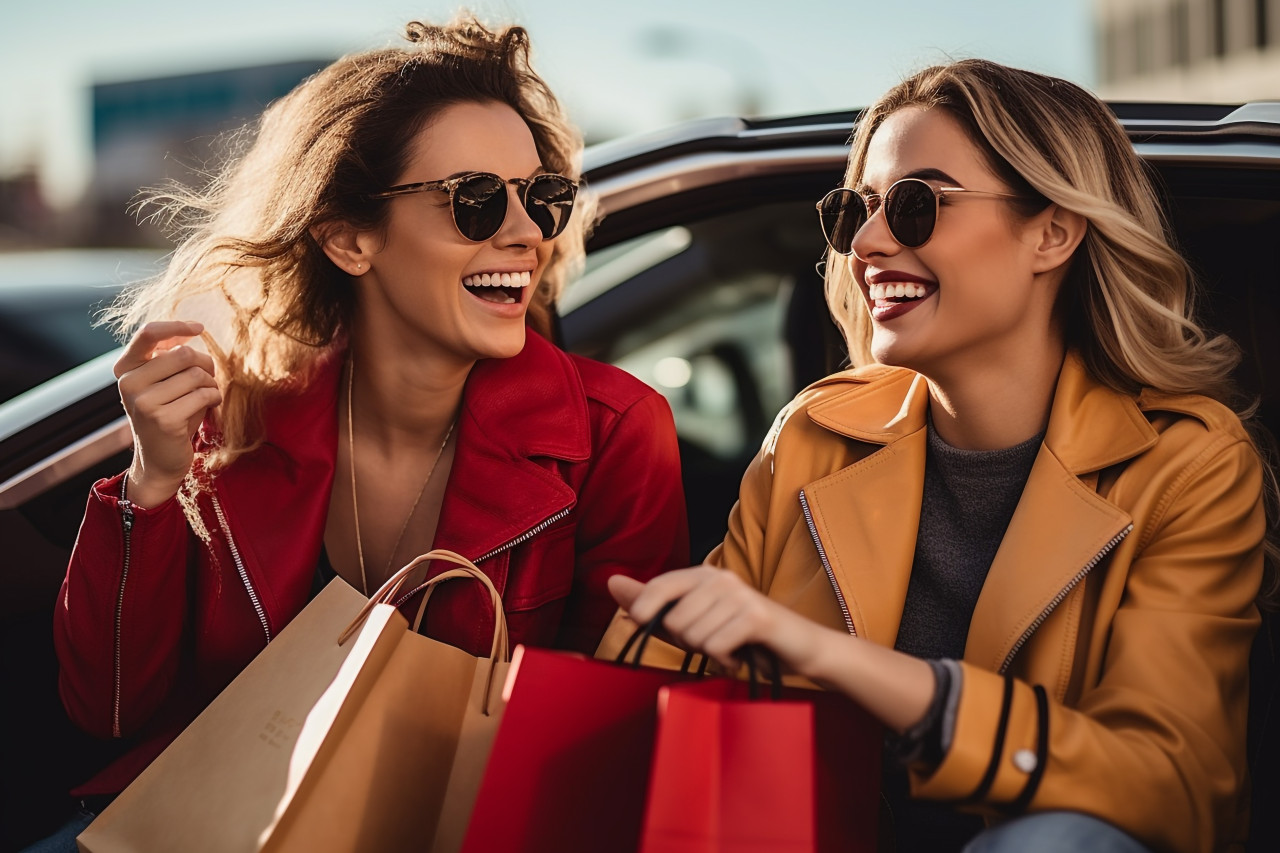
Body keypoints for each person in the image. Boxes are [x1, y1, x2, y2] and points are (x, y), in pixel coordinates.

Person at [41, 15, 688, 850]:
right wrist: (152, 485)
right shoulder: (236, 419)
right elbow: (113, 708)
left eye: (543, 196)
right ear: (348, 238)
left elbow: (610, 749)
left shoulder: (617, 433)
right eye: (477, 199)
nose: (527, 231)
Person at [605, 59, 1276, 853]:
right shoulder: (815, 434)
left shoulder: (1188, 466)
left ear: (1052, 233)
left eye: (918, 205)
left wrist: (839, 661)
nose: (867, 241)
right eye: (856, 209)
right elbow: (663, 705)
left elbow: (1170, 782)